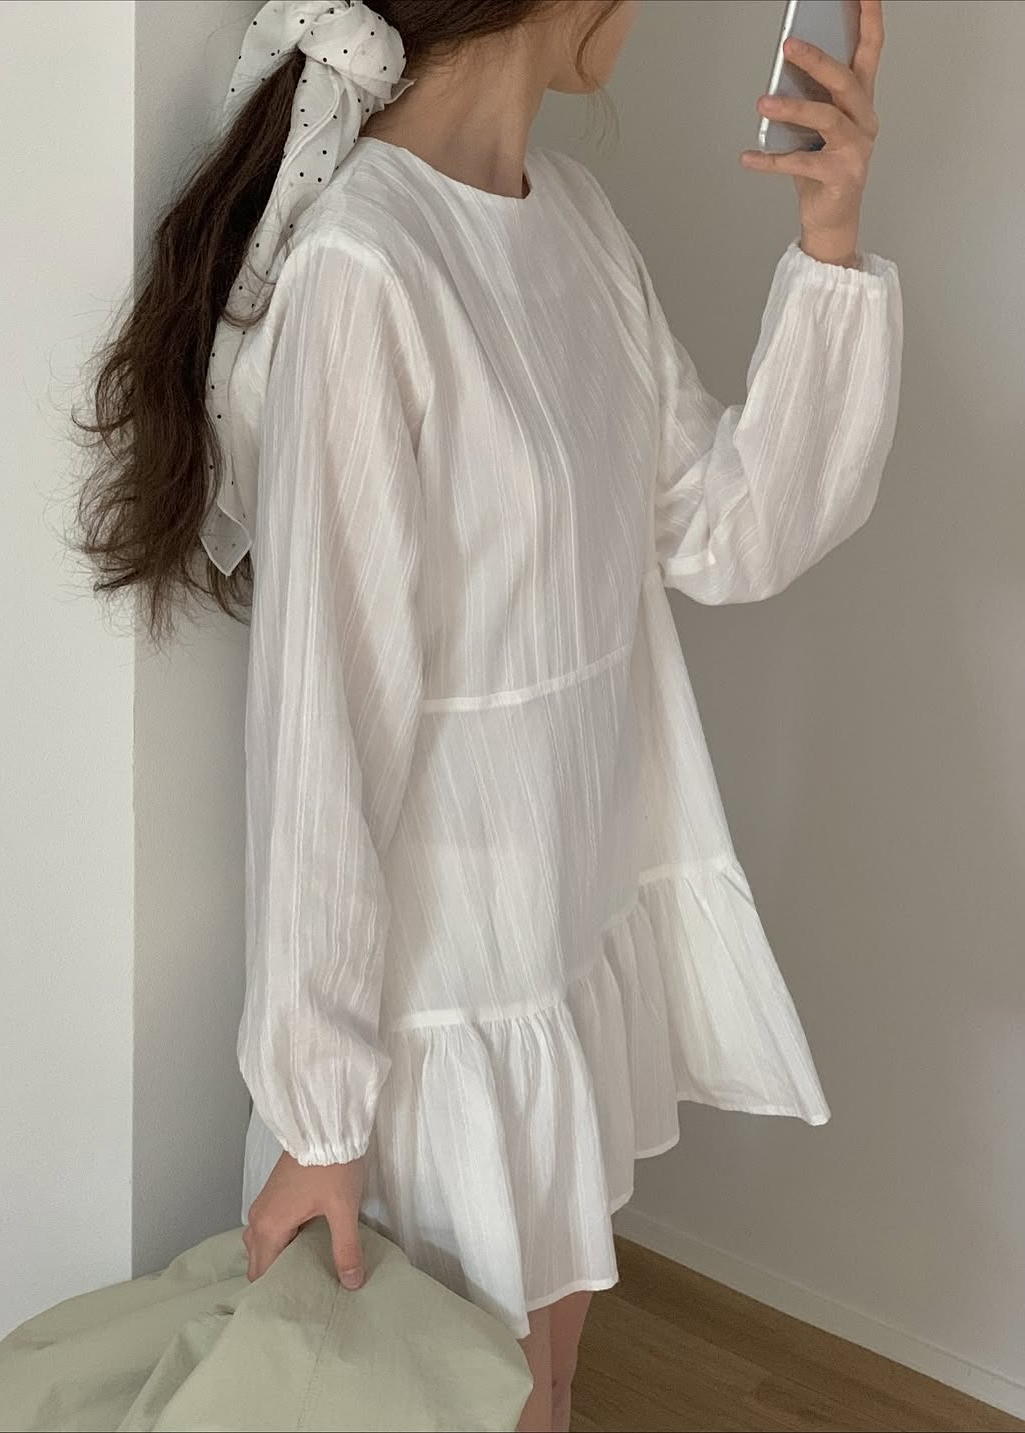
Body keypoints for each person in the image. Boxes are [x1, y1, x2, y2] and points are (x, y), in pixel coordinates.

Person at [74, 2, 899, 1429]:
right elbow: (323, 727)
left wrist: (830, 240)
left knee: (549, 1386)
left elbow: (725, 530)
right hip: (426, 1018)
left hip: (554, 958)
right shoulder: (366, 268)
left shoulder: (572, 220)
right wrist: (321, 1118)